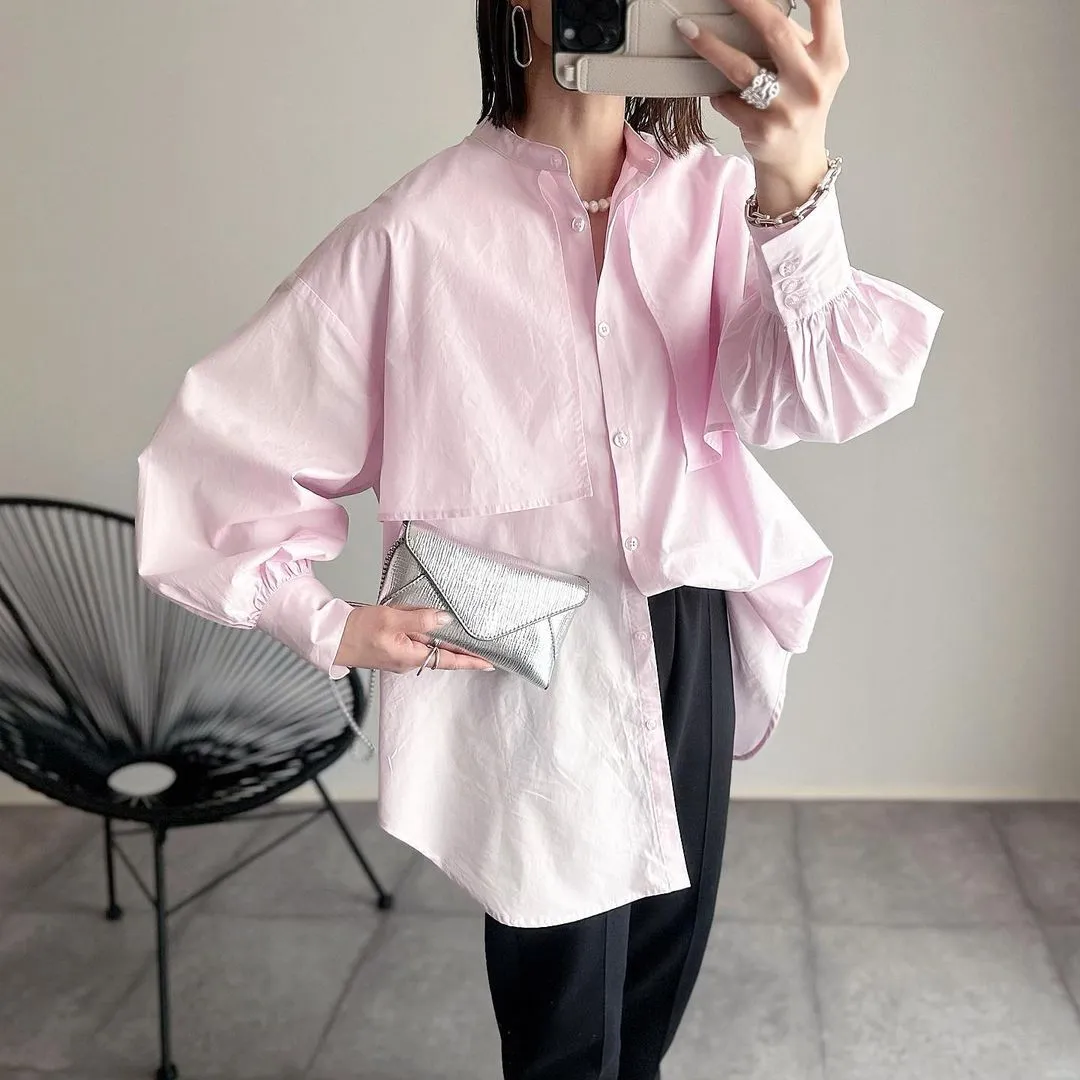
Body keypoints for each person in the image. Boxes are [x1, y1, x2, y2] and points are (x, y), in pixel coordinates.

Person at [137, 0, 942, 1076]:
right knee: (563, 1029)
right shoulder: (415, 232)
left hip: (686, 629)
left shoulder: (717, 200)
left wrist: (793, 171)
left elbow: (816, 395)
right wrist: (326, 623)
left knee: (657, 982)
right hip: (520, 656)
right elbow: (215, 453)